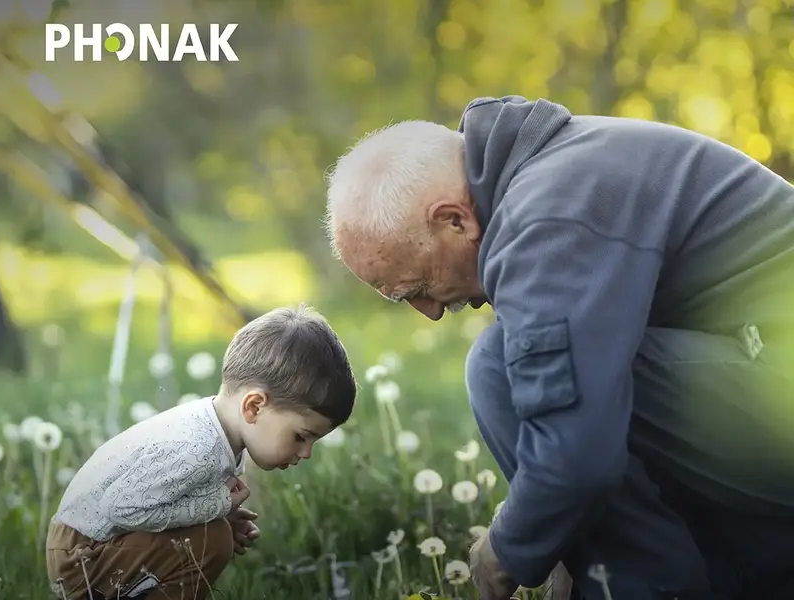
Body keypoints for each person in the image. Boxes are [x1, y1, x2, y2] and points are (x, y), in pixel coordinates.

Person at [323, 95, 794, 599]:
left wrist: (504, 552)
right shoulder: (549, 177)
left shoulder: (547, 216)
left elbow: (577, 455)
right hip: (761, 382)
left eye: (415, 289)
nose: (431, 312)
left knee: (498, 365)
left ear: (454, 221)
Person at [46, 305, 357, 600]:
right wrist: (215, 506)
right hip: (80, 558)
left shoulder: (215, 428)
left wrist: (219, 515)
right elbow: (122, 507)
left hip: (93, 545)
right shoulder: (195, 448)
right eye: (301, 436)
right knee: (214, 541)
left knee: (213, 536)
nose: (306, 453)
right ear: (254, 406)